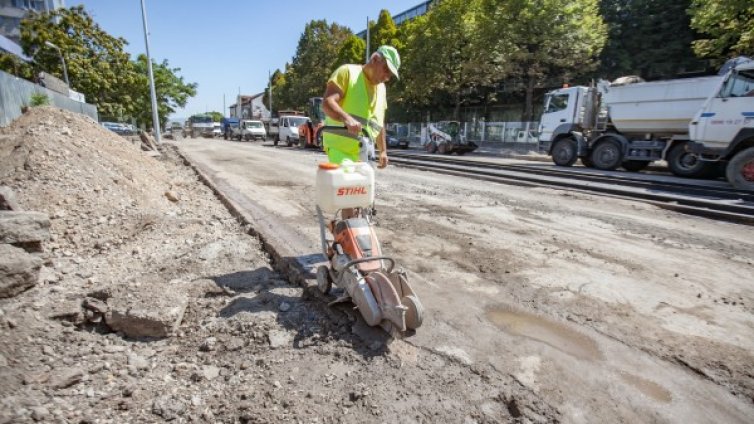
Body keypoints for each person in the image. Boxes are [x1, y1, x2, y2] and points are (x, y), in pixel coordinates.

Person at [322, 45, 400, 168]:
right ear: (375, 59)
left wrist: (383, 151)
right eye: (386, 69)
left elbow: (379, 122)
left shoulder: (382, 89)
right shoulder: (347, 72)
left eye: (390, 75)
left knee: (365, 186)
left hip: (366, 152)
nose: (387, 77)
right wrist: (346, 118)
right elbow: (327, 103)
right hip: (341, 149)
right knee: (349, 183)